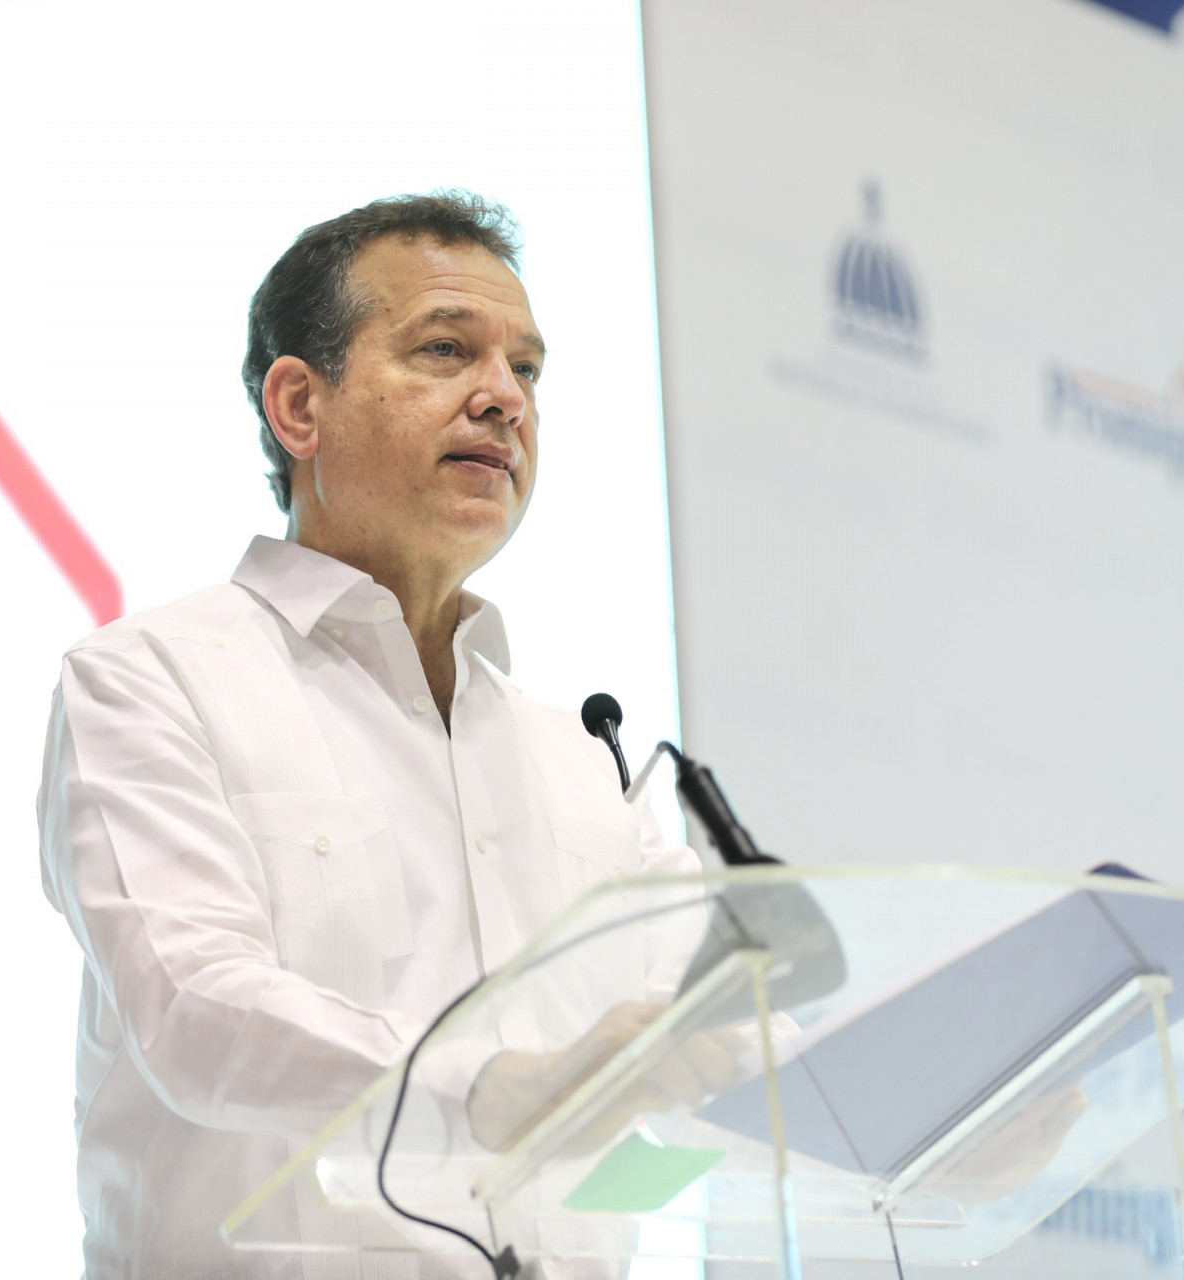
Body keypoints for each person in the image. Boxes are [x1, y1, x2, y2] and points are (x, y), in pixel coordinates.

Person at [36, 193, 729, 1280]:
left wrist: (929, 1122)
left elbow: (723, 1051)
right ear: (299, 406)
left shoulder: (582, 756)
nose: (504, 398)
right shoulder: (150, 680)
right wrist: (488, 1090)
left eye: (527, 368)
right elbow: (195, 1008)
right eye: (446, 349)